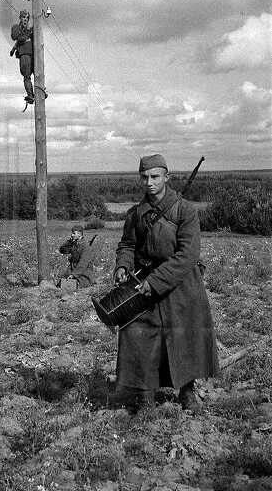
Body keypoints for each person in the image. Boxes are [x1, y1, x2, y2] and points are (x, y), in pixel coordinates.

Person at [110, 154, 219, 414]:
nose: (149, 182)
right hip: (142, 283)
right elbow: (127, 245)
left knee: (184, 335)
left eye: (155, 177)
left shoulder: (185, 210)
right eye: (144, 177)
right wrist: (123, 266)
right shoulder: (135, 213)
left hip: (180, 283)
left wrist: (156, 282)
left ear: (166, 177)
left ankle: (187, 391)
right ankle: (145, 397)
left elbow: (188, 254)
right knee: (137, 335)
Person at [10, 10, 35, 104]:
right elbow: (15, 37)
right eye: (23, 17)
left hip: (33, 54)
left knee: (35, 75)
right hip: (24, 53)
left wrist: (28, 31)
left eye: (26, 18)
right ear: (20, 18)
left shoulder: (32, 29)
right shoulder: (17, 27)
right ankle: (30, 95)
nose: (25, 19)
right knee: (26, 76)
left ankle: (37, 93)